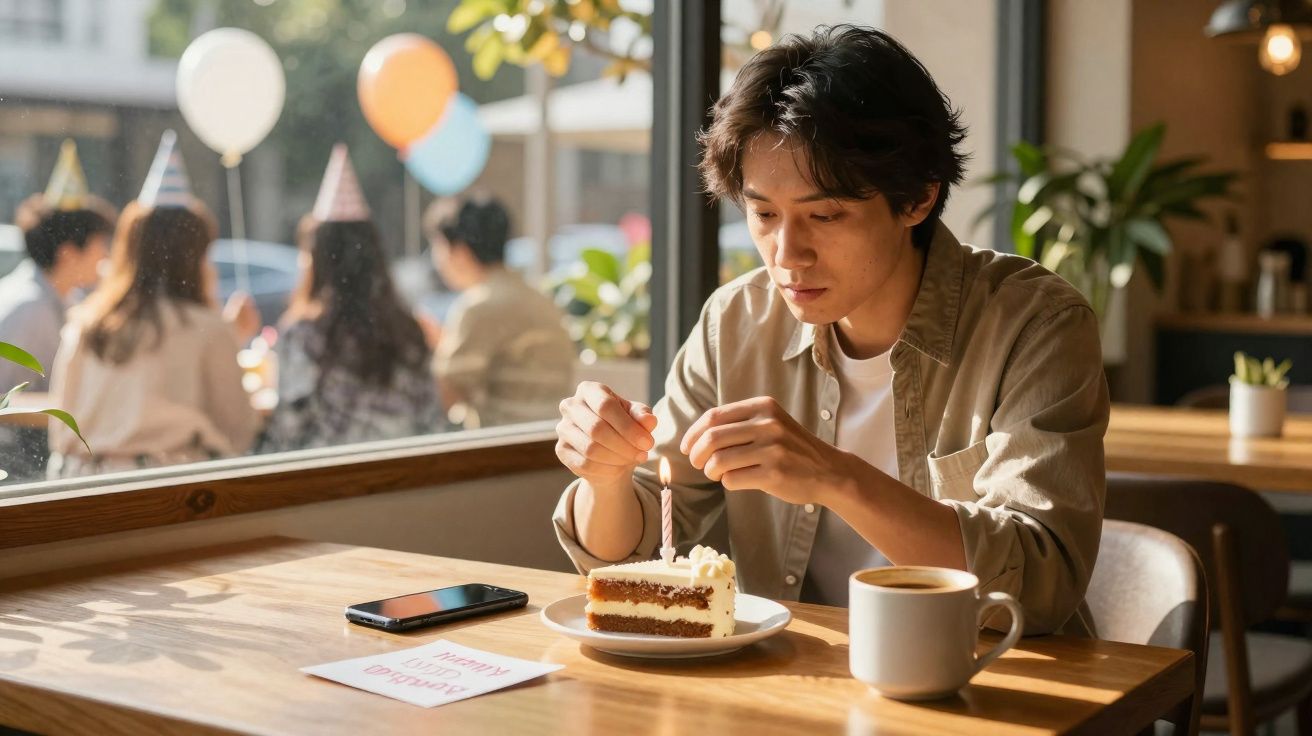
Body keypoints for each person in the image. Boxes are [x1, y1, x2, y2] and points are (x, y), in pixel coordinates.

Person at [552, 25, 1109, 635]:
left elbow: (1041, 582)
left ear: (918, 199)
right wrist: (604, 482)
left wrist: (833, 476)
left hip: (991, 680)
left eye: (825, 214)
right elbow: (631, 557)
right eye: (763, 214)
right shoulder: (735, 323)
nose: (787, 254)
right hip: (795, 687)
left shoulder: (1034, 325)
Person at [48, 130, 260, 477]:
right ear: (196, 257)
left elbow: (60, 427)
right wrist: (231, 338)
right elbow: (237, 431)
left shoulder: (87, 321)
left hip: (77, 484)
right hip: (169, 485)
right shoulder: (206, 327)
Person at [259, 144, 442, 452]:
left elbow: (287, 434)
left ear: (317, 261)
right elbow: (433, 421)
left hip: (332, 486)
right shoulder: (408, 331)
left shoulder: (303, 336)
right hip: (408, 482)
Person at [0, 140, 115, 480]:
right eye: (99, 247)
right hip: (19, 471)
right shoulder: (28, 309)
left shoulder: (64, 298)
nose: (105, 257)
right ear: (68, 253)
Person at [423, 195, 575, 428]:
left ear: (460, 251)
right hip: (551, 439)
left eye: (437, 247)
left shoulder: (479, 307)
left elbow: (446, 395)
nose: (437, 260)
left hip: (503, 448)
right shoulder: (539, 298)